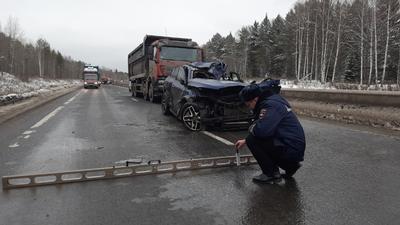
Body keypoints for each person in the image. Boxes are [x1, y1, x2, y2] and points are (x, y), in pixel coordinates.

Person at [235, 81, 306, 183]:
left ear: (255, 99)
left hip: (291, 149)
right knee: (253, 138)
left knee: (252, 139)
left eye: (248, 104)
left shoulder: (270, 106)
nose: (248, 107)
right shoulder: (274, 100)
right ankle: (290, 166)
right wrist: (245, 140)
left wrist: (251, 130)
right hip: (293, 148)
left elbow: (262, 131)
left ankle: (270, 174)